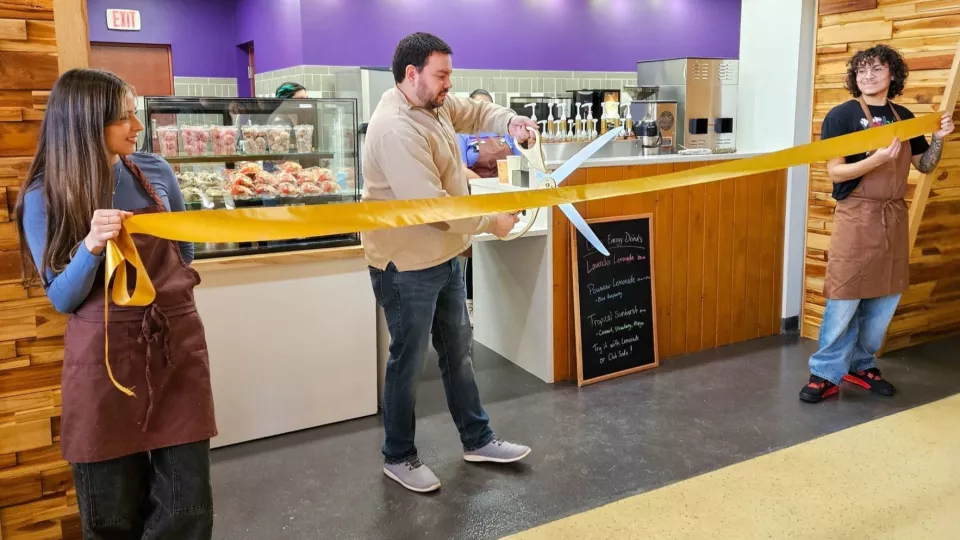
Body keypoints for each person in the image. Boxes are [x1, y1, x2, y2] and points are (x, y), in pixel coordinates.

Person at [16, 69, 217, 538]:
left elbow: (182, 250)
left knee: (187, 507)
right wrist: (91, 245)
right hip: (102, 360)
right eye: (122, 116)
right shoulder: (44, 195)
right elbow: (62, 298)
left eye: (133, 111)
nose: (136, 124)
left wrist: (169, 296)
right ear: (86, 122)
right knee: (112, 515)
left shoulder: (155, 171)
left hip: (173, 349)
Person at [362, 32, 537, 493]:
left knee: (458, 353)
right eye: (441, 76)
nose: (448, 84)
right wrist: (490, 222)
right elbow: (433, 210)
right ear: (411, 74)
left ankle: (477, 439)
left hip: (443, 258)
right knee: (408, 360)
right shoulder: (395, 128)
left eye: (449, 75)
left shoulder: (432, 103)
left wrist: (512, 121)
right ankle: (398, 456)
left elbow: (475, 110)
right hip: (404, 266)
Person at [799, 45, 954, 403]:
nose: (868, 76)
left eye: (876, 69)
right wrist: (875, 159)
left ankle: (861, 365)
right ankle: (824, 373)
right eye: (861, 71)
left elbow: (925, 165)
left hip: (893, 217)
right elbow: (835, 171)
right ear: (854, 78)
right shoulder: (841, 116)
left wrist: (937, 140)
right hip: (857, 216)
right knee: (844, 297)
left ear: (892, 75)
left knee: (884, 297)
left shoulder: (904, 116)